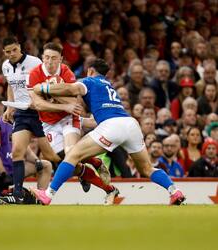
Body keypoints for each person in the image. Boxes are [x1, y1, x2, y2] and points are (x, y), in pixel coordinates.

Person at [30, 58, 186, 205]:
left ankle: (48, 194)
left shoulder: (89, 81)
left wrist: (43, 87)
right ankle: (174, 191)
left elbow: (70, 88)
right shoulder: (109, 86)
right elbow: (96, 115)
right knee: (146, 168)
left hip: (111, 126)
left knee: (72, 155)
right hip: (131, 124)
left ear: (90, 71)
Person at [27, 42, 119, 204]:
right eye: (46, 58)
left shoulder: (66, 72)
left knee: (71, 154)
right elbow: (38, 104)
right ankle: (100, 171)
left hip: (67, 119)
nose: (49, 62)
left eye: (54, 58)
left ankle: (49, 194)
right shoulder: (34, 74)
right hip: (48, 122)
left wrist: (48, 90)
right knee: (69, 163)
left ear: (61, 59)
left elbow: (73, 100)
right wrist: (63, 103)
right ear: (42, 57)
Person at [0, 36, 60, 204]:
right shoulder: (5, 66)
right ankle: (17, 193)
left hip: (39, 112)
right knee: (17, 151)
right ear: (4, 52)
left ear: (19, 47)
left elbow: (46, 83)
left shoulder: (34, 62)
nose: (11, 54)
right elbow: (11, 85)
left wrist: (41, 101)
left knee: (51, 155)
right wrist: (10, 107)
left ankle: (79, 170)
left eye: (14, 50)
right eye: (8, 52)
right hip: (22, 113)